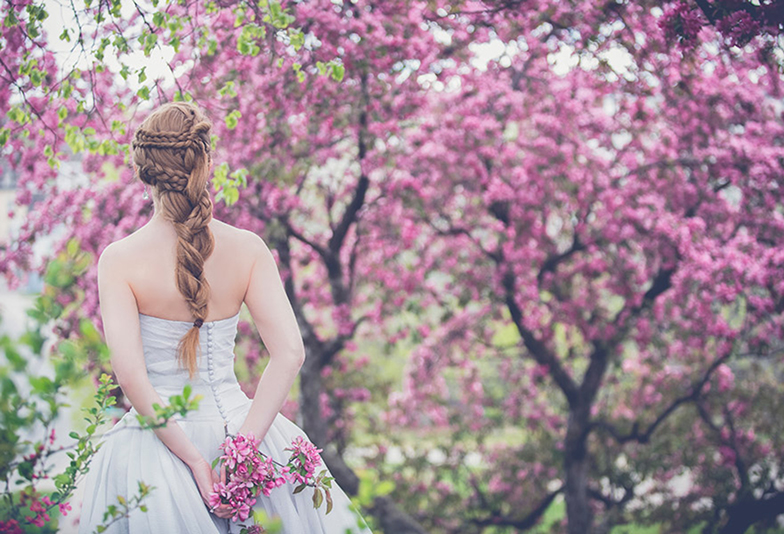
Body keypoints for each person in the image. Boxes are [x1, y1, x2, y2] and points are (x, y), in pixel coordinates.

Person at [77, 102, 372, 533]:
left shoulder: (118, 260)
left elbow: (131, 376)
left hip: (154, 451)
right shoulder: (249, 248)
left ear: (143, 170)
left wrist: (194, 461)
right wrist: (247, 447)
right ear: (206, 164)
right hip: (245, 429)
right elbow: (290, 352)